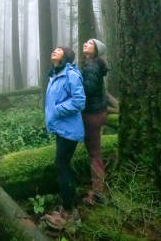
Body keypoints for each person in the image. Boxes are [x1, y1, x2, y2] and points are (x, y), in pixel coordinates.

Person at [43, 46, 86, 230]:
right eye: (53, 49)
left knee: (60, 165)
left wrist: (57, 110)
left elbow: (79, 101)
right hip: (61, 129)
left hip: (70, 130)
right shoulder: (54, 75)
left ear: (66, 56)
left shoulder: (71, 75)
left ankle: (69, 213)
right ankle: (71, 203)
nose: (54, 50)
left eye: (59, 50)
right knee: (64, 165)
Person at [80, 38, 109, 205]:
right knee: (94, 151)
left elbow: (87, 90)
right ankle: (97, 188)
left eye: (90, 43)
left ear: (96, 50)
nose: (85, 44)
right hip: (97, 112)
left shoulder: (92, 66)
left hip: (92, 114)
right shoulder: (93, 64)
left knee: (94, 153)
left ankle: (98, 193)